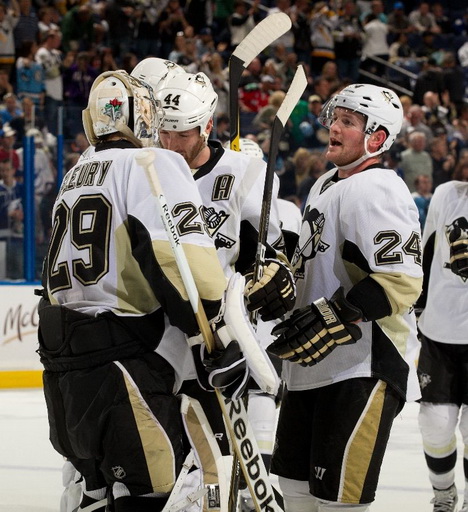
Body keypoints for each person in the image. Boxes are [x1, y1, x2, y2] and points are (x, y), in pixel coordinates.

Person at [37, 69, 250, 512]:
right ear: (146, 117)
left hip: (64, 371)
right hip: (126, 368)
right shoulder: (153, 164)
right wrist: (214, 331)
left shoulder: (75, 174)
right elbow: (181, 262)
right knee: (158, 495)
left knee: (94, 495)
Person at [267, 84, 423, 512]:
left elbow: (402, 280)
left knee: (339, 503)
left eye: (348, 122)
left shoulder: (379, 188)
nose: (334, 127)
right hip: (310, 368)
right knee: (296, 492)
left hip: (361, 367)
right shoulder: (323, 184)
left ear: (376, 137)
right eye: (335, 118)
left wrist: (338, 313)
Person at [151, 67, 295, 509]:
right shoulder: (148, 168)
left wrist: (275, 266)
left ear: (208, 127)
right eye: (164, 133)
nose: (171, 144)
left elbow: (284, 233)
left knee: (236, 473)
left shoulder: (241, 172)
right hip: (164, 340)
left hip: (225, 343)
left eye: (183, 134)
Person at [415, 179, 468, 512]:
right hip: (439, 332)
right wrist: (417, 305)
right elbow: (427, 250)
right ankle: (444, 493)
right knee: (435, 424)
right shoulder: (447, 193)